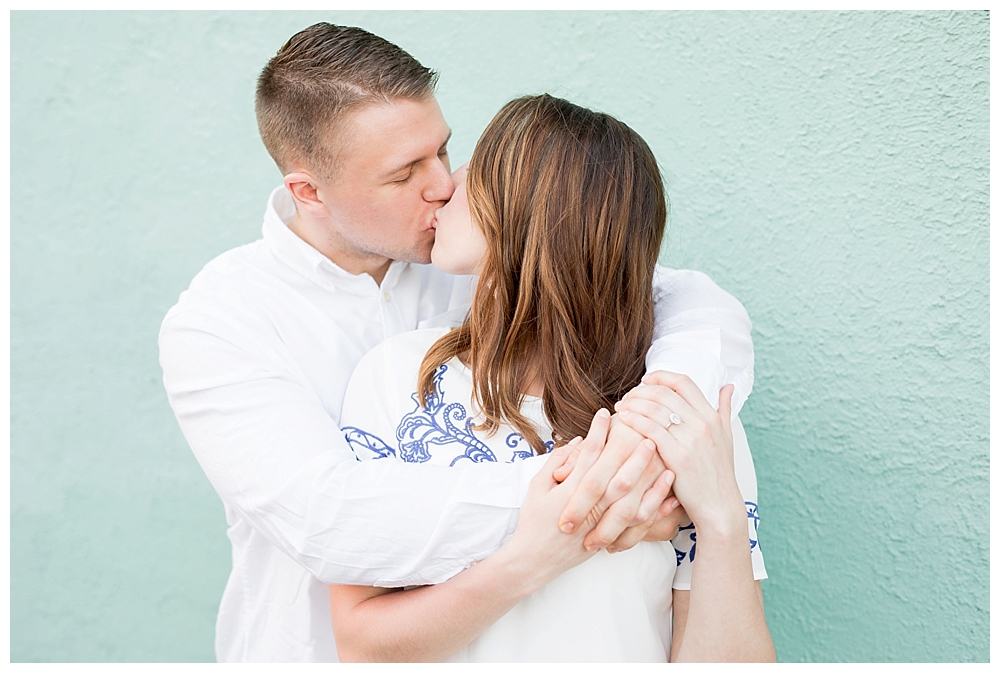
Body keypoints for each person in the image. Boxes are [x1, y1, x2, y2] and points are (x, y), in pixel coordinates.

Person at [159, 23, 760, 662]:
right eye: (404, 174)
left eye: (443, 151)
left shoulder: (472, 262)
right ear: (309, 192)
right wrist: (602, 490)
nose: (443, 184)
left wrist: (660, 423)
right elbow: (327, 519)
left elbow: (684, 301)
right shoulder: (224, 322)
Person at [330, 95, 772, 663]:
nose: (444, 186)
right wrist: (536, 555)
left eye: (470, 169)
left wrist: (722, 520)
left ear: (522, 209)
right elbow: (362, 642)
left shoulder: (680, 412)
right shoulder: (399, 379)